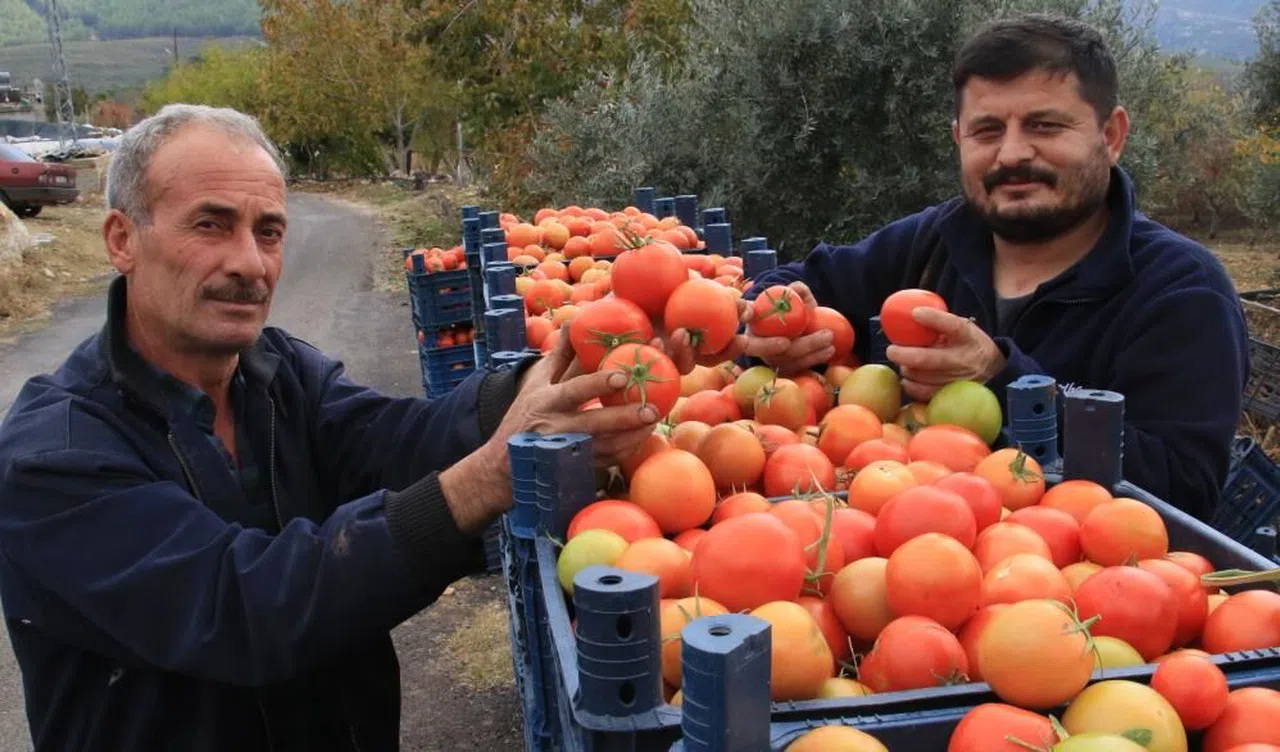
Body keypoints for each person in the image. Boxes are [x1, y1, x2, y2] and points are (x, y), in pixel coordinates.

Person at [0, 104, 659, 751]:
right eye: (210, 225)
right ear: (123, 240)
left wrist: (548, 381)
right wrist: (485, 477)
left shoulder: (278, 373)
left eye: (269, 232)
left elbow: (394, 440)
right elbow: (241, 608)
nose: (250, 263)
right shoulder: (53, 458)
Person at [672, 15, 1250, 520]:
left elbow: (1183, 491)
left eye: (1045, 126)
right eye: (987, 130)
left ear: (1111, 135)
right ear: (958, 139)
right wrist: (772, 331)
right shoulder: (936, 240)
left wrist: (1004, 379)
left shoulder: (1181, 292)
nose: (1013, 153)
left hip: (1064, 593)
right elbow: (799, 281)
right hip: (895, 545)